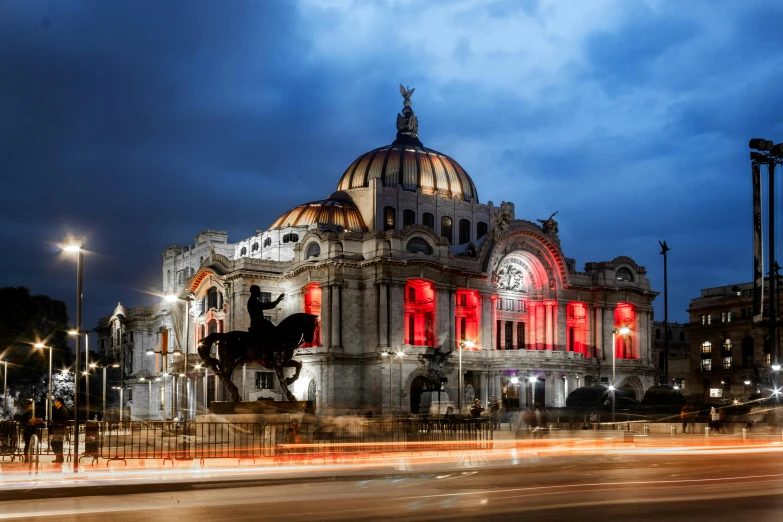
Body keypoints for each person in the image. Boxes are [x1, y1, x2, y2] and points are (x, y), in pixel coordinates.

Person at [50, 397, 70, 464]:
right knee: (56, 443)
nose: (55, 403)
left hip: (59, 429)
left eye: (56, 402)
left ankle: (59, 457)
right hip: (58, 428)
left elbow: (61, 420)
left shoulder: (62, 410)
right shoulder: (61, 409)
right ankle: (59, 457)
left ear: (59, 402)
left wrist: (54, 423)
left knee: (56, 443)